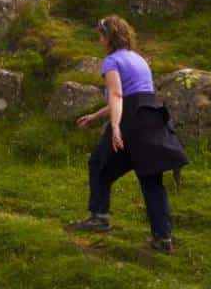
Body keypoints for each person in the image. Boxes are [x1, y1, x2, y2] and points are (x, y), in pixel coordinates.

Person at [72, 15, 188, 252]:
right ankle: (163, 238)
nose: (99, 40)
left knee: (99, 162)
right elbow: (136, 94)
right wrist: (96, 117)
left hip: (131, 121)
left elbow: (117, 96)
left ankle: (99, 216)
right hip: (152, 117)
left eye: (100, 35)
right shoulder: (138, 59)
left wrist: (115, 127)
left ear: (107, 37)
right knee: (150, 178)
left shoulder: (111, 61)